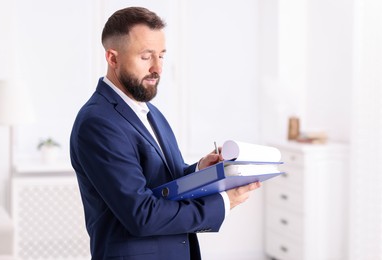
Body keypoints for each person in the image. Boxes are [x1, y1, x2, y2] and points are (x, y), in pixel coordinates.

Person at [70, 6, 261, 260]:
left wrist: (199, 170)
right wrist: (224, 203)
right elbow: (142, 214)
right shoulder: (98, 122)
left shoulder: (151, 112)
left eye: (161, 55)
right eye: (146, 57)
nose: (158, 68)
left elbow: (163, 183)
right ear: (112, 58)